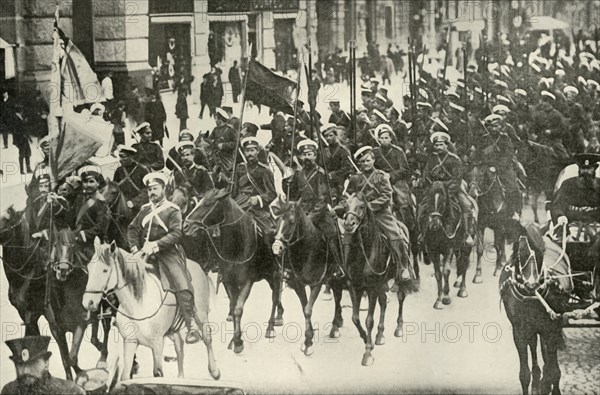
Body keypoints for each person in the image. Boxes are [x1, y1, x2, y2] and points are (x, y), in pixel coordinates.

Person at [127, 172, 201, 344]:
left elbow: (176, 233)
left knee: (181, 282)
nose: (151, 192)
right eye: (149, 190)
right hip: (144, 253)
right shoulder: (144, 209)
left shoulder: (172, 210)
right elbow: (132, 229)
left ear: (164, 189)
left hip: (167, 253)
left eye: (155, 189)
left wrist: (156, 244)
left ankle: (191, 324)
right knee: (123, 274)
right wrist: (134, 247)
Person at [340, 146, 412, 280]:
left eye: (368, 160)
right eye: (362, 162)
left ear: (373, 160)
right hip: (359, 213)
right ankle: (344, 267)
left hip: (380, 212)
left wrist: (370, 206)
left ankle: (404, 266)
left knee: (395, 234)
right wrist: (344, 206)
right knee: (347, 234)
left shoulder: (381, 176)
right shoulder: (355, 178)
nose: (365, 164)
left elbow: (386, 195)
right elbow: (347, 196)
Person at [285, 139, 344, 277]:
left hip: (320, 211)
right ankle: (287, 267)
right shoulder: (298, 174)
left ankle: (337, 265)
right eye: (304, 154)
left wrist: (311, 217)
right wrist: (287, 180)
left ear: (315, 156)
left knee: (332, 233)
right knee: (287, 230)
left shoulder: (321, 174)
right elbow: (292, 194)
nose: (306, 157)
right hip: (302, 209)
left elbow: (323, 198)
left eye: (310, 154)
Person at [421, 132, 477, 246]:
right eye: (436, 145)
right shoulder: (432, 158)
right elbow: (426, 175)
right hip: (435, 190)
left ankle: (467, 234)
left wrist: (447, 193)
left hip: (451, 189)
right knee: (422, 207)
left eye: (441, 144)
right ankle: (422, 233)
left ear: (447, 145)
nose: (439, 147)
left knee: (466, 206)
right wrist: (432, 189)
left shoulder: (454, 159)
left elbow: (457, 179)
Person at [1, 336, 85, 394]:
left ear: (46, 363)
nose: (25, 370)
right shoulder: (9, 391)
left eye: (32, 364)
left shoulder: (71, 391)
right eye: (20, 365)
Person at [232, 137, 277, 246]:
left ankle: (272, 259)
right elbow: (233, 191)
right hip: (240, 205)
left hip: (258, 209)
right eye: (247, 151)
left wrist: (259, 199)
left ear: (257, 151)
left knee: (269, 232)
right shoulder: (239, 168)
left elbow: (272, 193)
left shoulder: (264, 170)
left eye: (252, 150)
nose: (250, 153)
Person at [372, 124, 414, 216]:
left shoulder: (398, 151)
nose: (384, 140)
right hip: (380, 182)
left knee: (404, 203)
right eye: (381, 138)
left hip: (396, 182)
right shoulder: (375, 152)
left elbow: (405, 169)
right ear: (378, 139)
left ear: (391, 138)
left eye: (386, 138)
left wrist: (390, 175)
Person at [72, 166, 110, 267]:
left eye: (91, 181)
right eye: (85, 182)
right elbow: (70, 218)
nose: (88, 185)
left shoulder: (101, 202)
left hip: (93, 243)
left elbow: (101, 227)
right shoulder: (80, 199)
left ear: (98, 183)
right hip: (76, 239)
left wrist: (85, 234)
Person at [552, 153, 600, 225]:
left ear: (594, 169)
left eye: (589, 169)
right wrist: (560, 216)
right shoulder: (568, 184)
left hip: (596, 226)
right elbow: (558, 204)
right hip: (571, 225)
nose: (585, 172)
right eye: (583, 168)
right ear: (579, 169)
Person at [113, 145, 150, 214]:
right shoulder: (119, 170)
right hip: (122, 206)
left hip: (139, 206)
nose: (120, 159)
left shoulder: (142, 170)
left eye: (123, 156)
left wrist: (134, 202)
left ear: (131, 157)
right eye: (120, 156)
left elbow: (147, 190)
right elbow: (115, 188)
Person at [321, 124, 353, 204]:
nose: (328, 138)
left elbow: (348, 167)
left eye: (330, 135)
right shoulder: (324, 151)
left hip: (340, 180)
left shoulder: (343, 150)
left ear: (336, 135)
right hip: (326, 179)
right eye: (326, 136)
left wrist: (335, 174)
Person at [207, 108, 237, 182]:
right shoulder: (215, 130)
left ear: (220, 118)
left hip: (227, 159)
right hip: (216, 157)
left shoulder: (230, 129)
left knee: (227, 176)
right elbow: (210, 141)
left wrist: (224, 145)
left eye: (216, 118)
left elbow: (236, 144)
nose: (215, 121)